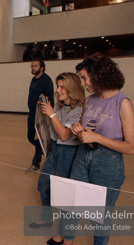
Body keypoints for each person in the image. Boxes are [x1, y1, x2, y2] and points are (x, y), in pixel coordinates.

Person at [55, 53, 134, 245]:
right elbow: (86, 130)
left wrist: (97, 138)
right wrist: (78, 129)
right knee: (71, 203)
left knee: (100, 215)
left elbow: (132, 147)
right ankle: (67, 240)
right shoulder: (91, 100)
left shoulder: (122, 103)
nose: (82, 84)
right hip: (83, 157)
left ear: (99, 75)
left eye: (84, 78)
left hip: (108, 163)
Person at [31, 73, 85, 244]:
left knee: (64, 197)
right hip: (55, 151)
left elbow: (64, 135)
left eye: (62, 87)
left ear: (72, 89)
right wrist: (45, 117)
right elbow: (54, 131)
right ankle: (47, 218)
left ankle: (63, 235)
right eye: (58, 86)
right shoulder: (61, 107)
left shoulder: (79, 110)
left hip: (68, 154)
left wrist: (52, 114)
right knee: (43, 186)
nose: (58, 90)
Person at [26, 59, 54, 174]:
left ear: (42, 67)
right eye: (32, 66)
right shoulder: (34, 79)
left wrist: (47, 117)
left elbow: (50, 100)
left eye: (35, 66)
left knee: (40, 139)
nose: (33, 68)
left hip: (41, 116)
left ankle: (36, 163)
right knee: (30, 137)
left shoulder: (46, 80)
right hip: (32, 114)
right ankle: (48, 152)